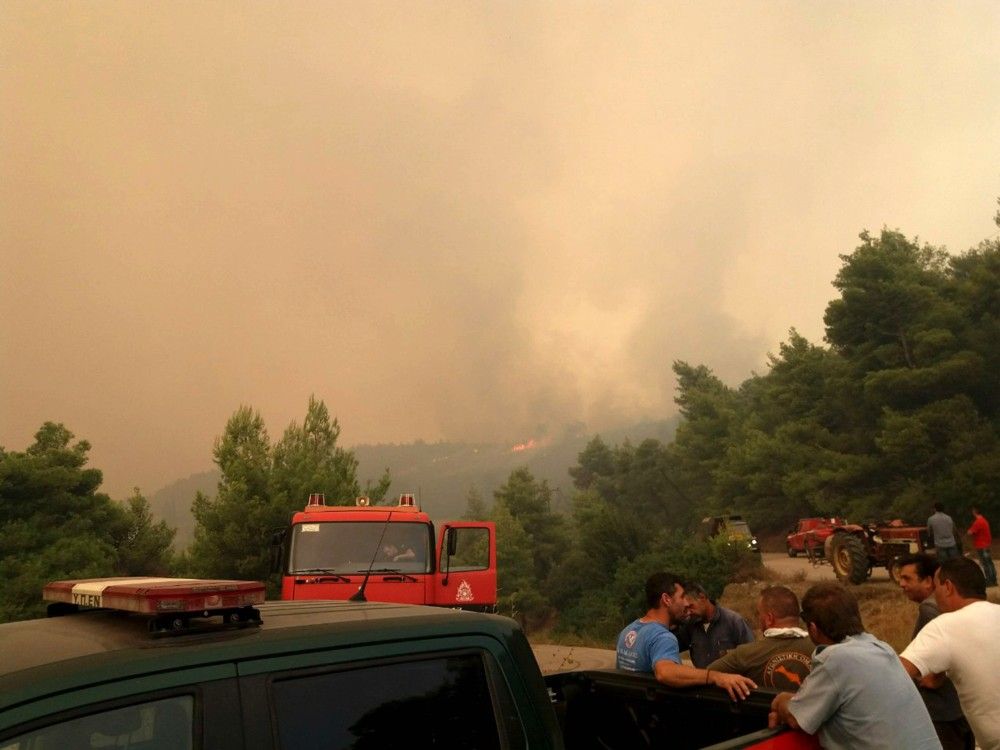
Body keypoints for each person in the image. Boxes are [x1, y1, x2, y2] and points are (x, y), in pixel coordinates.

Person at [769, 582, 940, 750]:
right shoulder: (881, 648)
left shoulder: (835, 659)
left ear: (813, 628)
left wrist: (781, 700)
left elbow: (795, 718)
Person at [900, 557, 1000, 750]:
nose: (934, 595)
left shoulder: (944, 626)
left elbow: (896, 673)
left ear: (948, 587)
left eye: (936, 587)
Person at [616, 572, 757, 701]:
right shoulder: (663, 637)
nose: (685, 603)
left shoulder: (628, 631)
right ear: (666, 599)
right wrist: (715, 676)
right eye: (682, 597)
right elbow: (665, 672)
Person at [896, 553, 973, 750]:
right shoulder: (946, 607)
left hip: (942, 711)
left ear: (929, 581)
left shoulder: (929, 609)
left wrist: (933, 678)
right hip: (959, 707)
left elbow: (942, 651)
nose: (901, 584)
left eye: (907, 578)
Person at [706, 586, 813, 691]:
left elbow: (706, 674)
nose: (758, 617)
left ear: (769, 619)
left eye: (759, 613)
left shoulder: (745, 654)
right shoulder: (821, 649)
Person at [678, 582, 755, 667]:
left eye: (691, 606)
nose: (689, 612)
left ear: (702, 597)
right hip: (703, 679)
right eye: (686, 608)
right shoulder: (690, 626)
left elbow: (751, 655)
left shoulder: (733, 621)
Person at [967, 506, 997, 587]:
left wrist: (969, 531)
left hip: (981, 545)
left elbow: (970, 532)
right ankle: (993, 579)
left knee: (986, 563)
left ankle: (990, 581)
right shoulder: (984, 520)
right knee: (989, 563)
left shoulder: (978, 522)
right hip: (986, 544)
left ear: (974, 512)